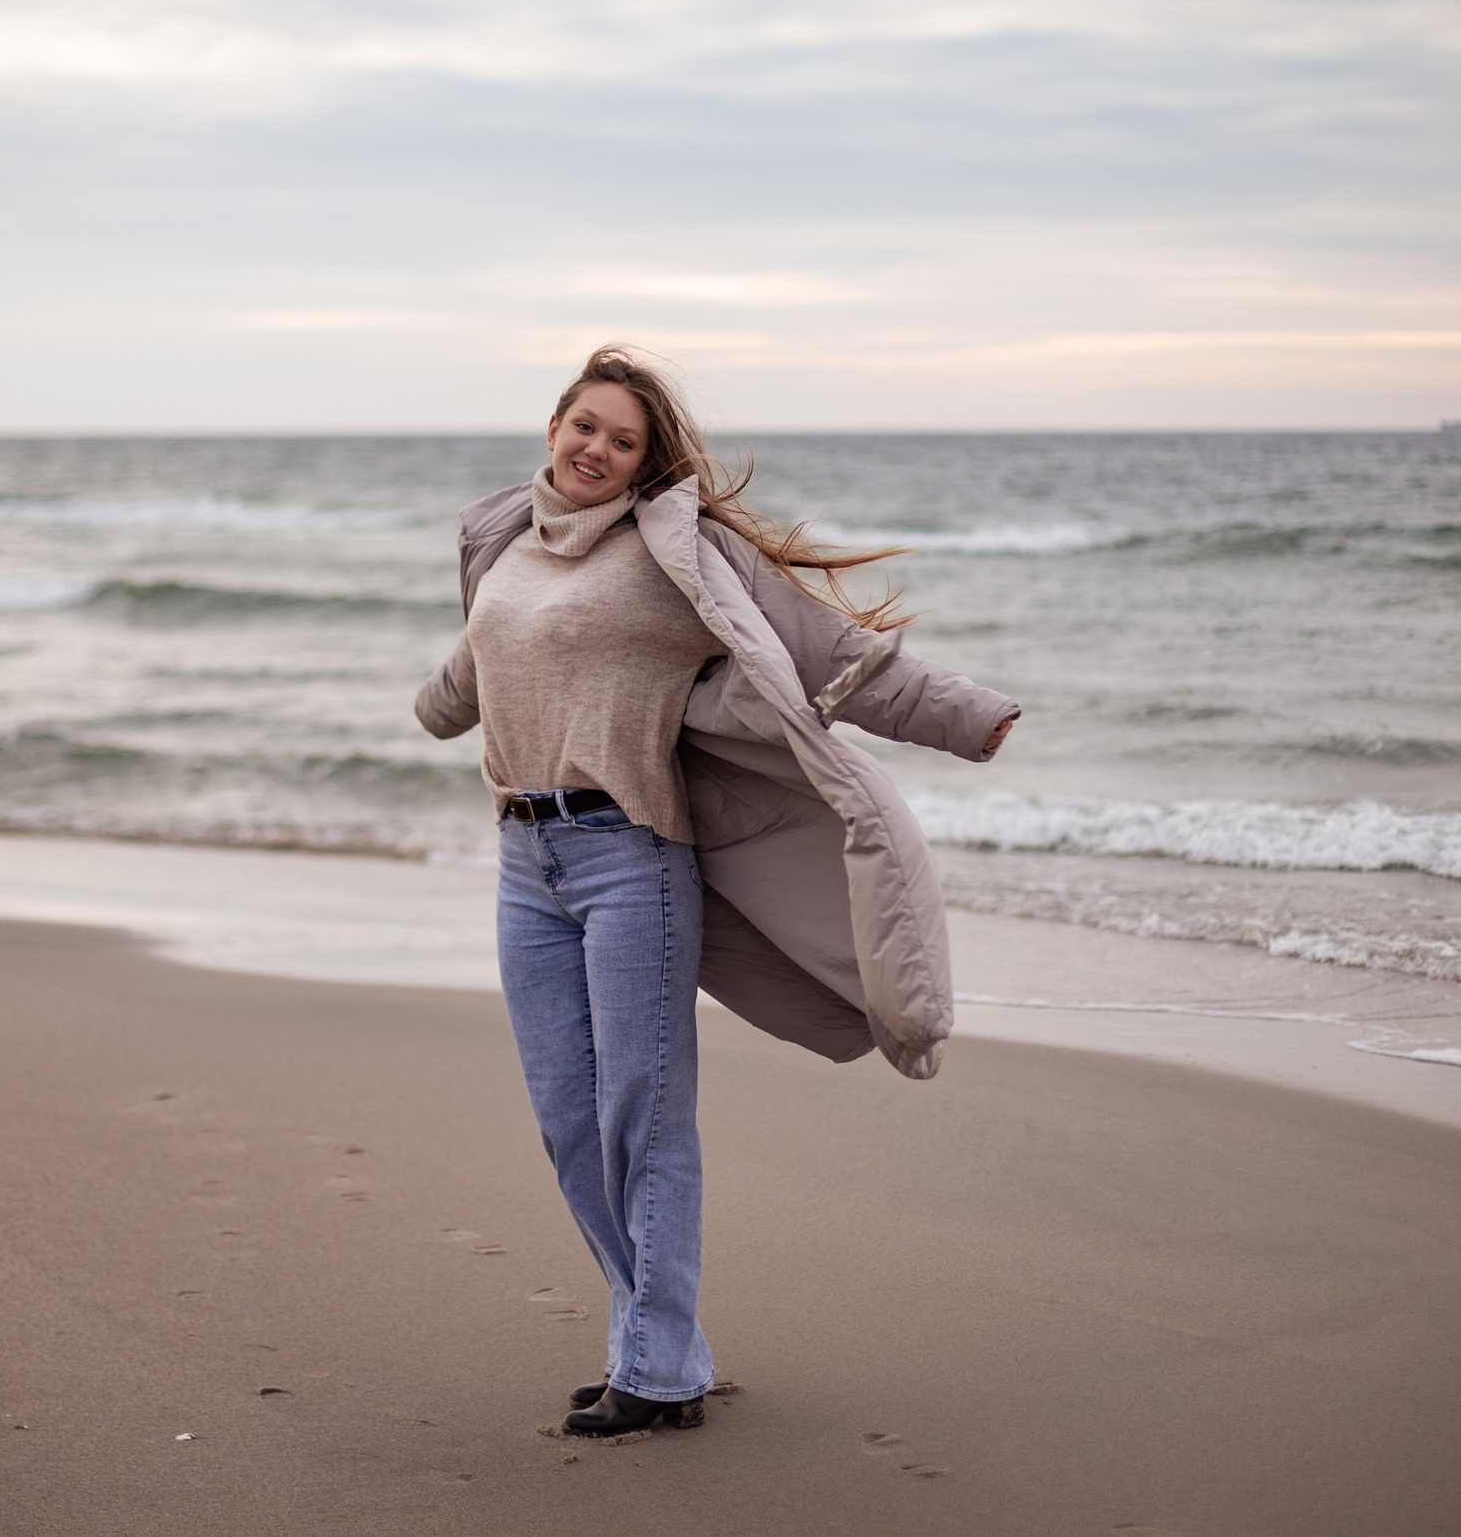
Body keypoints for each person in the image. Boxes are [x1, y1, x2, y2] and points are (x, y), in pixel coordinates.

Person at [413, 345, 1019, 1438]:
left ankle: (655, 1366)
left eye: (623, 439)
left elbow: (831, 654)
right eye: (585, 426)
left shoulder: (675, 551)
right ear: (553, 427)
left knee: (640, 1118)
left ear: (645, 461)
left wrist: (971, 717)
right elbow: (485, 661)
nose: (597, 449)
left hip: (630, 859)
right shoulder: (504, 543)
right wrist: (432, 707)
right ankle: (654, 1347)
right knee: (568, 1124)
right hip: (524, 863)